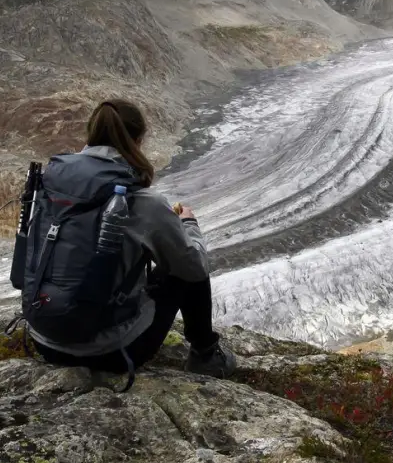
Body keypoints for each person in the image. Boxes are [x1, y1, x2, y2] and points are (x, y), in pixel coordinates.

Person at [20, 100, 238, 380]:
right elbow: (193, 266)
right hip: (110, 351)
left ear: (91, 134)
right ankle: (206, 356)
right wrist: (189, 224)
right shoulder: (139, 200)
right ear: (138, 140)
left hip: (44, 339)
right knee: (186, 264)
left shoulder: (51, 183)